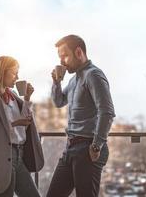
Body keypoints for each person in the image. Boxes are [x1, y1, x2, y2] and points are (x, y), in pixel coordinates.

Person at [47, 35, 115, 197]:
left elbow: (107, 112)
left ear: (78, 52)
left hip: (87, 149)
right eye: (60, 57)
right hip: (70, 148)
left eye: (65, 56)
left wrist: (96, 145)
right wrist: (56, 82)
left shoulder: (93, 75)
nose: (62, 61)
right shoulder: (73, 80)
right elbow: (58, 101)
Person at [0, 56, 44, 197]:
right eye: (14, 73)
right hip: (2, 159)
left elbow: (22, 121)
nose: (17, 77)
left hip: (19, 156)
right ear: (2, 73)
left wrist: (27, 99)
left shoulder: (13, 96)